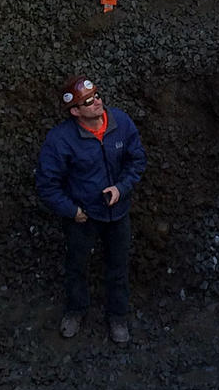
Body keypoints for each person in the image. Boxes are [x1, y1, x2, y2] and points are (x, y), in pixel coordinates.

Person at [35, 77, 146, 345]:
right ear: (75, 111)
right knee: (77, 266)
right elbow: (46, 184)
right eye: (88, 101)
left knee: (118, 267)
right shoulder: (61, 140)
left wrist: (121, 188)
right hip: (83, 217)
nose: (96, 102)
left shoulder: (121, 123)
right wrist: (72, 211)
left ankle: (117, 316)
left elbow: (137, 159)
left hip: (117, 213)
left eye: (96, 95)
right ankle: (76, 311)